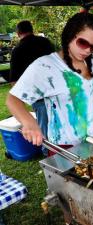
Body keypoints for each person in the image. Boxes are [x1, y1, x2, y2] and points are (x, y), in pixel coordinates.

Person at [6, 12, 93, 151]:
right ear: (70, 35)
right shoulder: (46, 66)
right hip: (65, 149)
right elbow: (12, 99)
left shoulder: (92, 64)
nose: (88, 50)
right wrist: (28, 121)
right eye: (83, 43)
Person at [9, 20, 55, 155]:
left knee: (44, 125)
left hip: (38, 93)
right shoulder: (45, 42)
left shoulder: (18, 50)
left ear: (18, 33)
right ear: (32, 29)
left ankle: (48, 153)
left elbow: (14, 80)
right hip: (55, 87)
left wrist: (22, 100)